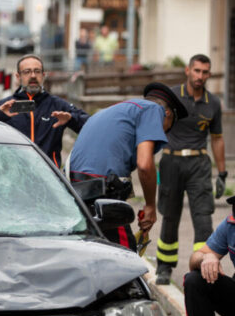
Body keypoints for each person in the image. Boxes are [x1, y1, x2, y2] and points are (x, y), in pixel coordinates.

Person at [68, 82, 188, 250]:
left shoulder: (118, 110)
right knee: (125, 257)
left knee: (95, 252)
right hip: (101, 190)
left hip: (76, 185)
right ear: (167, 114)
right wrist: (150, 206)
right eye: (168, 128)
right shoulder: (154, 110)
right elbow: (145, 165)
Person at [154, 54, 227, 285]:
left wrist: (222, 173)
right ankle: (164, 267)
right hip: (171, 162)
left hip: (199, 165)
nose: (200, 76)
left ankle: (202, 266)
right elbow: (156, 127)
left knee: (203, 217)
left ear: (209, 74)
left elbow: (217, 138)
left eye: (205, 72)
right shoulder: (172, 96)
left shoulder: (213, 103)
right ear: (187, 71)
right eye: (196, 71)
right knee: (170, 216)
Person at [0, 54, 89, 168]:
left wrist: (71, 119)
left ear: (43, 75)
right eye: (27, 72)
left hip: (48, 177)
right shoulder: (6, 106)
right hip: (13, 177)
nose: (33, 76)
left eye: (37, 71)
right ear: (18, 76)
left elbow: (90, 125)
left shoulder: (57, 105)